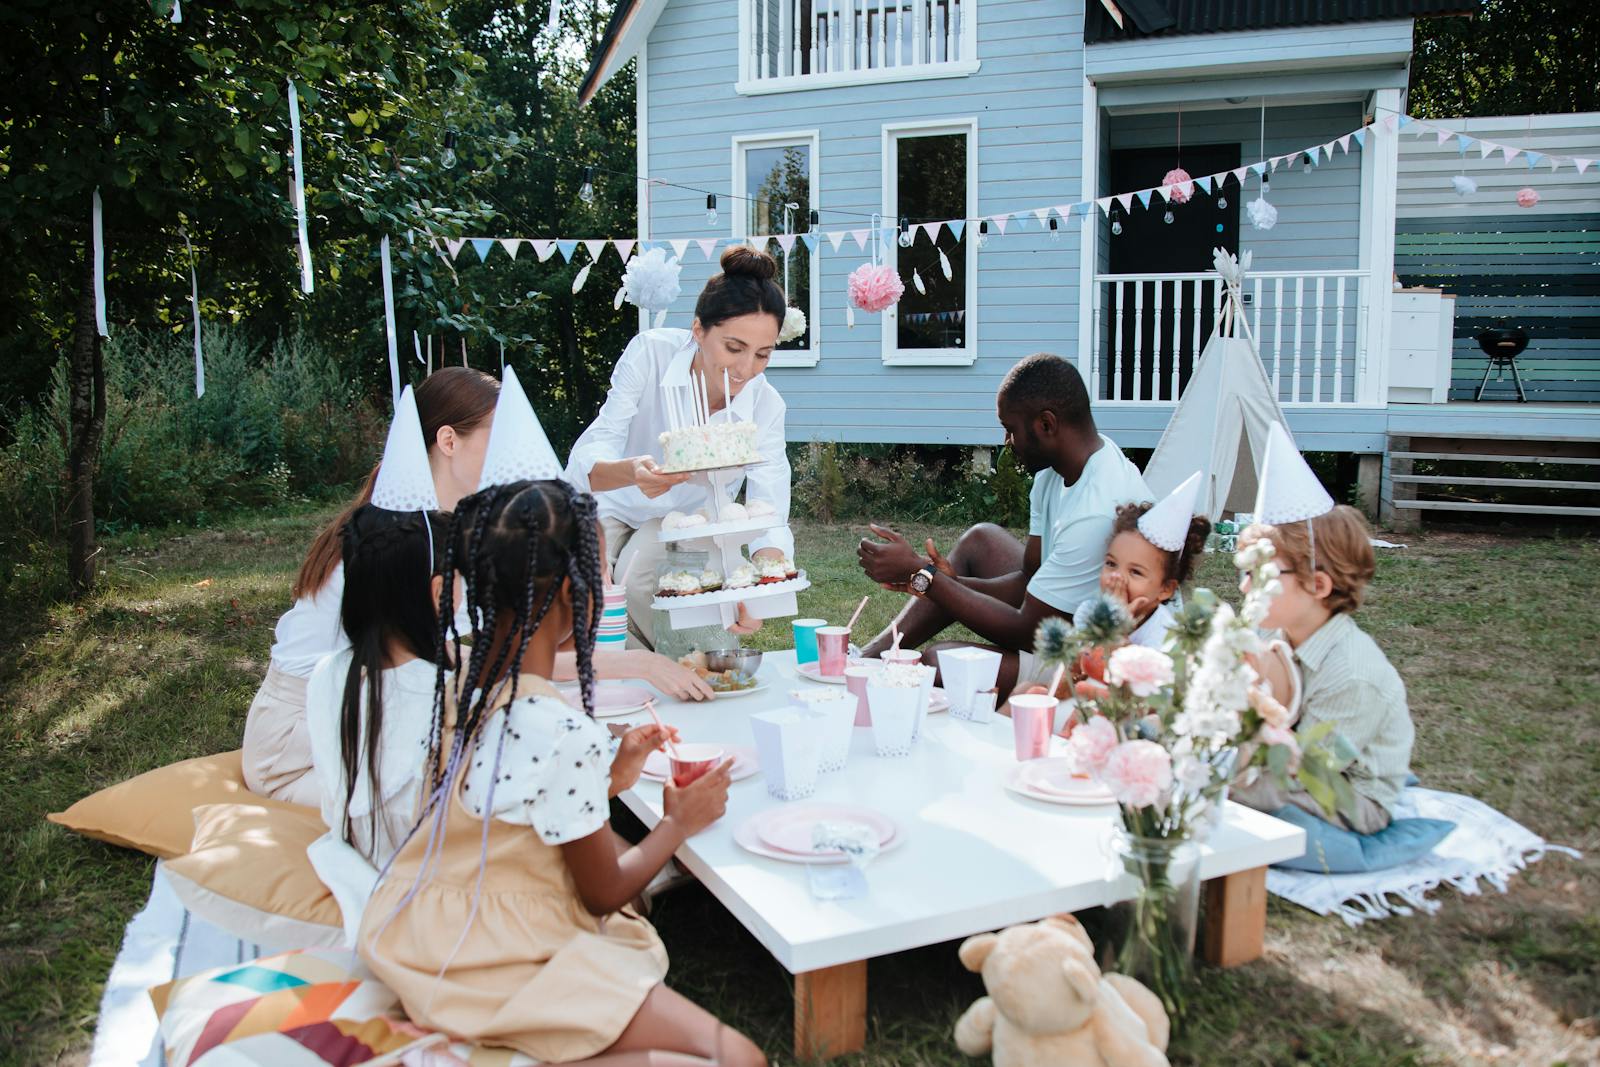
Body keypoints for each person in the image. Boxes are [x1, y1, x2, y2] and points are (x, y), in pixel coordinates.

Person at [359, 479, 765, 1066]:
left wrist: (612, 777)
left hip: (423, 935)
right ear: (577, 597)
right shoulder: (560, 729)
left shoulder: (459, 688)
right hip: (501, 960)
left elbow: (507, 797)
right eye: (600, 575)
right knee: (739, 1057)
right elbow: (603, 893)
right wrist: (678, 824)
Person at [246, 369, 713, 807]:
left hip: (379, 717)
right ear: (448, 440)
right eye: (497, 435)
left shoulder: (444, 526)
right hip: (305, 747)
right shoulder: (398, 544)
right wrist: (637, 663)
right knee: (503, 791)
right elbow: (493, 658)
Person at [857, 354, 1149, 697]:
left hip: (1095, 655)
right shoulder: (1058, 473)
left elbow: (1029, 631)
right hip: (1064, 615)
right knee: (980, 540)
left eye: (1011, 429)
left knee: (941, 662)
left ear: (1046, 424)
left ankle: (868, 663)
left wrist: (926, 578)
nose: (1007, 441)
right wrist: (945, 582)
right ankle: (867, 659)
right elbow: (1028, 580)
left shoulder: (1095, 511)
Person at [565, 246, 794, 653]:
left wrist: (763, 585)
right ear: (698, 331)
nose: (746, 369)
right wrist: (633, 472)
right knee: (583, 593)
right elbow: (594, 453)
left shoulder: (765, 404)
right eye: (734, 348)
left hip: (690, 522)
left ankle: (685, 668)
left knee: (644, 576)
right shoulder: (651, 354)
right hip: (613, 501)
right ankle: (624, 671)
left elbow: (769, 504)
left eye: (763, 354)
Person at [1232, 505, 1414, 834]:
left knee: (1218, 793)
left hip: (1348, 791)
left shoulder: (1353, 674)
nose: (1245, 587)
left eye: (1260, 575)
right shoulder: (1270, 631)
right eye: (1245, 572)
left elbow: (1308, 770)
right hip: (1283, 758)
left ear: (1317, 585)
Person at [1100, 473, 1211, 650]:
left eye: (1135, 572)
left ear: (1165, 589)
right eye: (1111, 564)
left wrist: (1116, 633)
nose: (1117, 577)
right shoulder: (1093, 612)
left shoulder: (1165, 642)